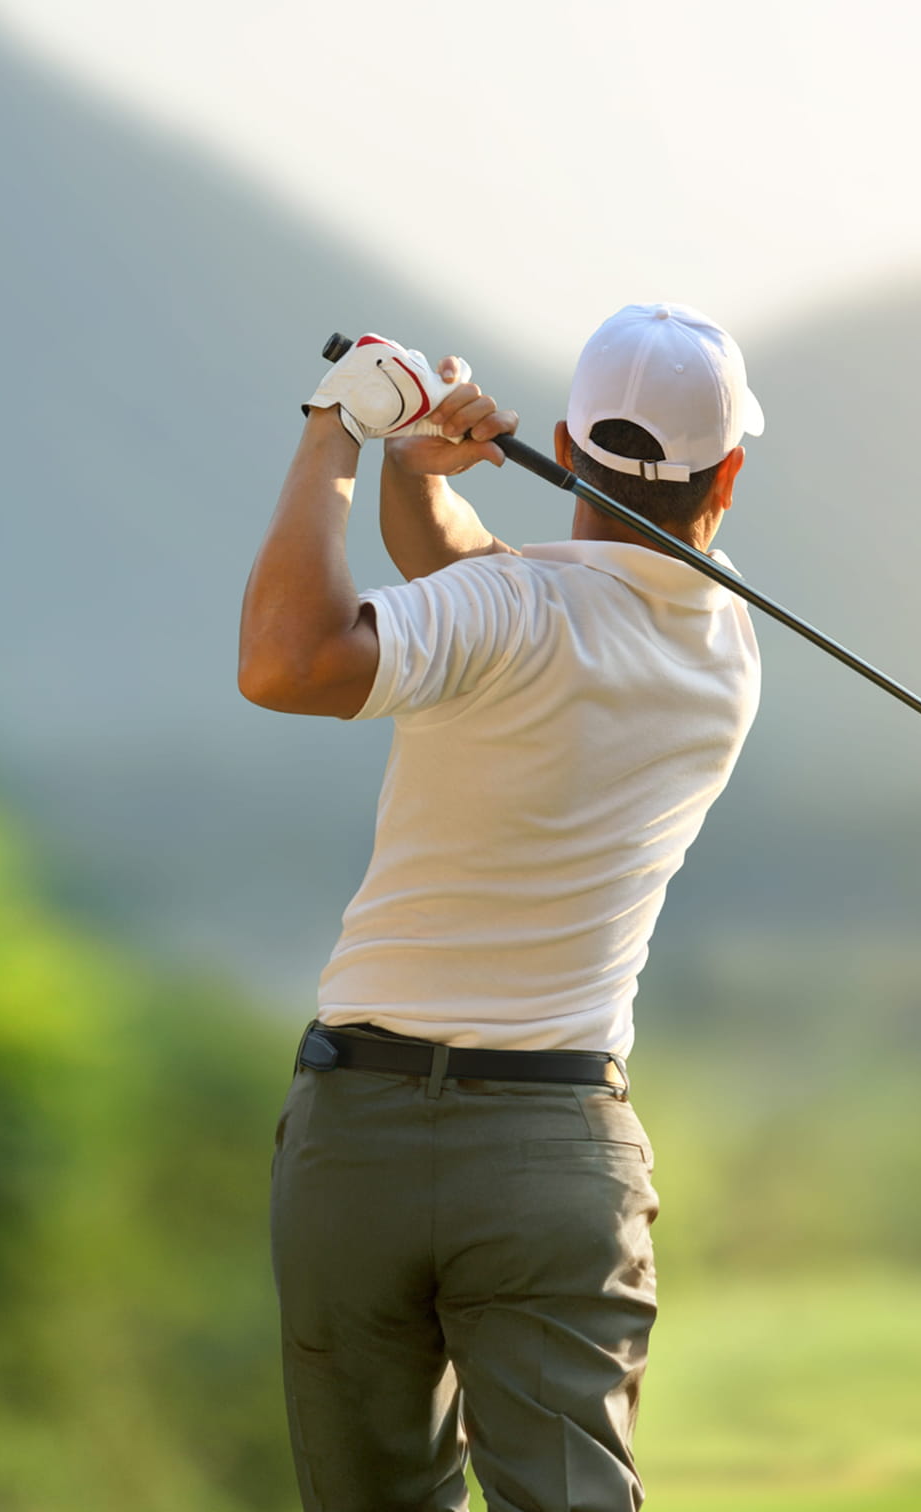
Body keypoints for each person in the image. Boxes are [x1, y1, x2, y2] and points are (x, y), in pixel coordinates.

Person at [234, 305, 768, 1511]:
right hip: (554, 1156)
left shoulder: (507, 615)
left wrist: (337, 429)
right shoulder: (726, 644)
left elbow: (285, 659)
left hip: (356, 1143)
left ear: (567, 449)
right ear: (727, 471)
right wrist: (420, 473)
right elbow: (500, 593)